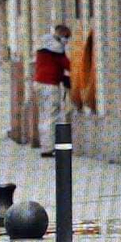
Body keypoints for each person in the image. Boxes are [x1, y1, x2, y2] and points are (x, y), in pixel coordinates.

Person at [33, 24, 72, 158]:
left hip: (39, 83)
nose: (67, 40)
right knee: (52, 115)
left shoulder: (43, 43)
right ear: (61, 35)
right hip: (50, 85)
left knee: (43, 115)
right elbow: (67, 64)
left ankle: (45, 145)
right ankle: (48, 148)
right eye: (66, 37)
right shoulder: (57, 49)